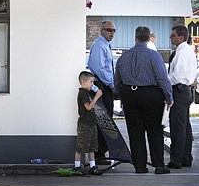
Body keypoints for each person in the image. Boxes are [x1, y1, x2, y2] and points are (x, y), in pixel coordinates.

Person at [114, 26, 173, 175]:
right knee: (154, 130)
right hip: (150, 94)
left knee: (135, 132)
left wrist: (122, 96)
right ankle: (159, 165)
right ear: (148, 38)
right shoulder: (154, 56)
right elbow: (162, 78)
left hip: (129, 94)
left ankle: (140, 166)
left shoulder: (124, 57)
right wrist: (168, 96)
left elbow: (117, 81)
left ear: (135, 37)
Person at [167, 25, 197, 169]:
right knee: (184, 126)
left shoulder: (183, 52)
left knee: (178, 127)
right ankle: (185, 157)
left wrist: (165, 82)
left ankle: (177, 160)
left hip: (179, 90)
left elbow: (177, 76)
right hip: (185, 90)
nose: (170, 37)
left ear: (181, 37)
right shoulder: (186, 50)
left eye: (173, 35)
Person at [87, 21, 116, 163]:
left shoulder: (105, 45)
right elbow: (99, 69)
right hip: (102, 86)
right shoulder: (99, 45)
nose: (112, 33)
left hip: (105, 86)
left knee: (106, 119)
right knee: (102, 120)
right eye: (109, 30)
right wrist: (111, 84)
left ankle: (102, 152)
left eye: (114, 30)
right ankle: (99, 154)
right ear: (101, 30)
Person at [73, 71, 104, 176]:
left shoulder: (88, 92)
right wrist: (96, 97)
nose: (92, 84)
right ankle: (77, 166)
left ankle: (92, 166)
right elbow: (88, 107)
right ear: (83, 82)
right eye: (90, 82)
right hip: (84, 123)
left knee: (92, 146)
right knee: (81, 146)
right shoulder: (82, 93)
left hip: (92, 123)